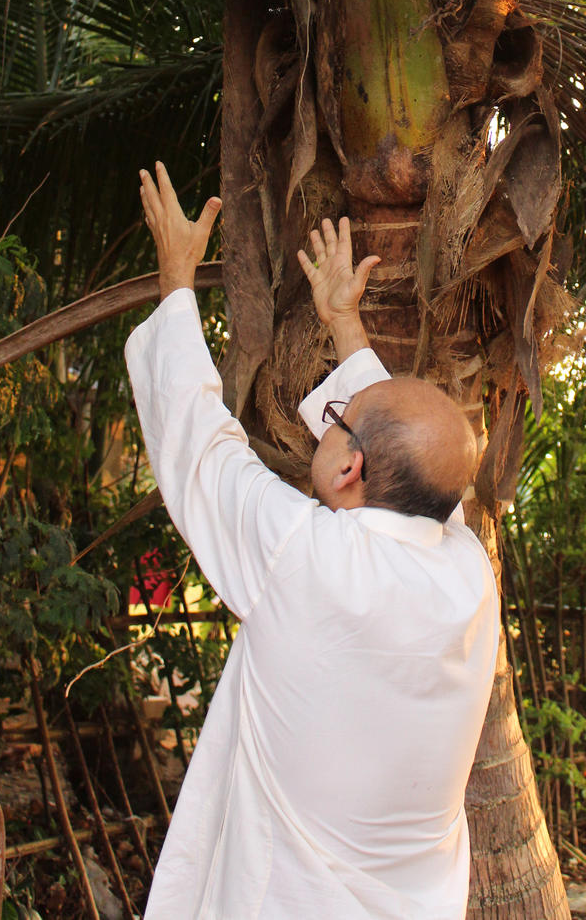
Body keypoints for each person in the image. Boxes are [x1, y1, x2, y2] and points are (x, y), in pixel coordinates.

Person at [125, 161, 499, 920]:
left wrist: (175, 280)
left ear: (349, 466)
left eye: (334, 420)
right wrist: (342, 321)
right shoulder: (467, 574)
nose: (324, 421)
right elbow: (416, 462)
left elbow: (200, 443)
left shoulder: (307, 559)